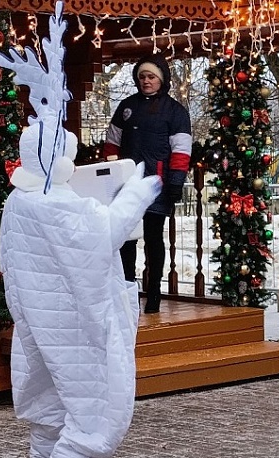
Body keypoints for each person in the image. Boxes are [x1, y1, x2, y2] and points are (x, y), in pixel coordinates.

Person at [0, 4, 162, 455]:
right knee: (93, 422)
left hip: (38, 325)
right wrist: (136, 194)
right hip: (72, 326)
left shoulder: (21, 198)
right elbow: (99, 234)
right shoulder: (54, 202)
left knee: (50, 415)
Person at [103, 54, 192, 314]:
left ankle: (154, 292)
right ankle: (127, 288)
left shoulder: (175, 112)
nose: (146, 81)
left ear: (161, 79)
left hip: (156, 184)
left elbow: (181, 150)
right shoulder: (126, 107)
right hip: (126, 185)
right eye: (142, 77)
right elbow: (112, 143)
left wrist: (175, 181)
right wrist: (112, 171)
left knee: (153, 239)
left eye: (151, 77)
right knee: (126, 239)